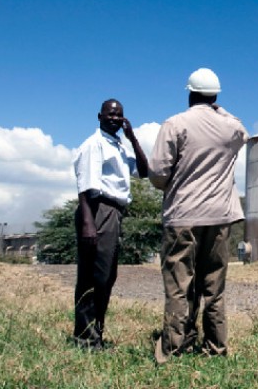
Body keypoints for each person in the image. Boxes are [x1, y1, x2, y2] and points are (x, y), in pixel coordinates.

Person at [148, 68, 246, 362]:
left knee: (180, 285)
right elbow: (242, 130)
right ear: (216, 96)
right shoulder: (230, 128)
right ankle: (215, 347)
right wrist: (219, 109)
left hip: (183, 216)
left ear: (189, 93)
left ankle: (175, 347)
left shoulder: (175, 124)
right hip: (218, 217)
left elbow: (157, 173)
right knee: (213, 287)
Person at [72, 99, 148, 349]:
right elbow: (85, 187)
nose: (115, 118)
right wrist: (88, 224)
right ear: (99, 116)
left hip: (113, 212)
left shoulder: (120, 146)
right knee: (93, 277)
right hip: (97, 209)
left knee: (106, 276)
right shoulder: (94, 144)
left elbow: (144, 172)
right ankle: (85, 338)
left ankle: (96, 334)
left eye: (120, 116)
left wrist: (133, 137)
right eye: (111, 114)